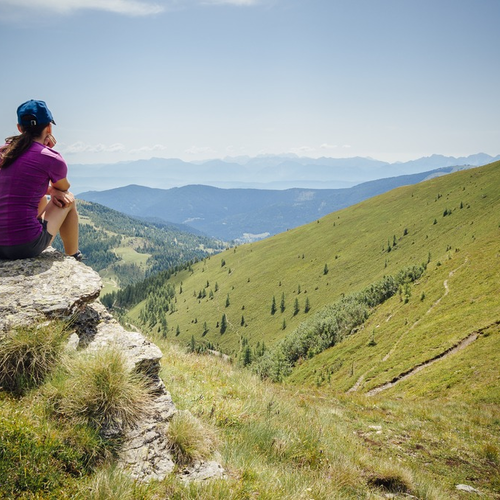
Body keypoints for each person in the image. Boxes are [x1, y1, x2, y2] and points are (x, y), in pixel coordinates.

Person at [0, 99, 81, 260]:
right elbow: (64, 188)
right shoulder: (51, 158)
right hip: (23, 247)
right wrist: (48, 152)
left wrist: (49, 190)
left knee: (42, 197)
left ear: (19, 128)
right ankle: (73, 256)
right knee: (68, 200)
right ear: (49, 128)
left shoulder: (3, 152)